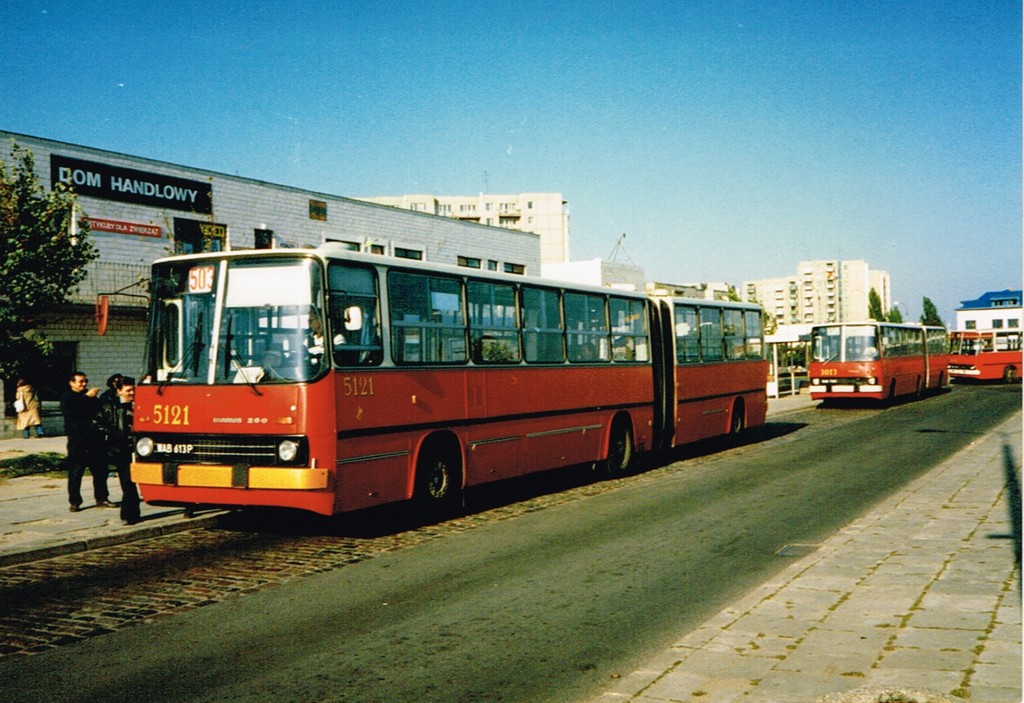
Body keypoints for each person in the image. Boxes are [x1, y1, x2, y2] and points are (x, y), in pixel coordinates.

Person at [61, 371, 115, 512]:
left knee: (100, 471)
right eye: (80, 382)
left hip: (95, 440)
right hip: (78, 441)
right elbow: (72, 411)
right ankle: (75, 501)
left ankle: (102, 497)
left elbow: (99, 411)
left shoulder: (91, 397)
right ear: (72, 383)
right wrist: (86, 397)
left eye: (85, 381)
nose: (84, 384)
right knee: (75, 472)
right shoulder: (68, 397)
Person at [94, 376, 141, 525]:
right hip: (122, 449)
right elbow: (97, 422)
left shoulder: (140, 405)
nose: (132, 393)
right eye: (128, 390)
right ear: (119, 391)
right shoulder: (110, 406)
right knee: (127, 483)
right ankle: (129, 514)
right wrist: (111, 433)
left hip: (140, 448)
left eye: (133, 389)